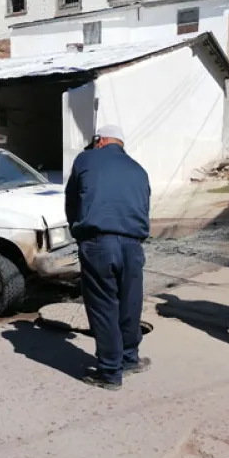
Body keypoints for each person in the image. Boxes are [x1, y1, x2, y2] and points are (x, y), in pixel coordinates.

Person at [65, 125, 152, 390]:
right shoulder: (138, 169)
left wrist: (79, 233)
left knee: (103, 307)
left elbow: (72, 202)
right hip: (133, 245)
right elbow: (144, 206)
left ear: (99, 141)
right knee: (129, 303)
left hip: (98, 243)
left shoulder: (85, 159)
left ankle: (110, 372)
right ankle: (129, 358)